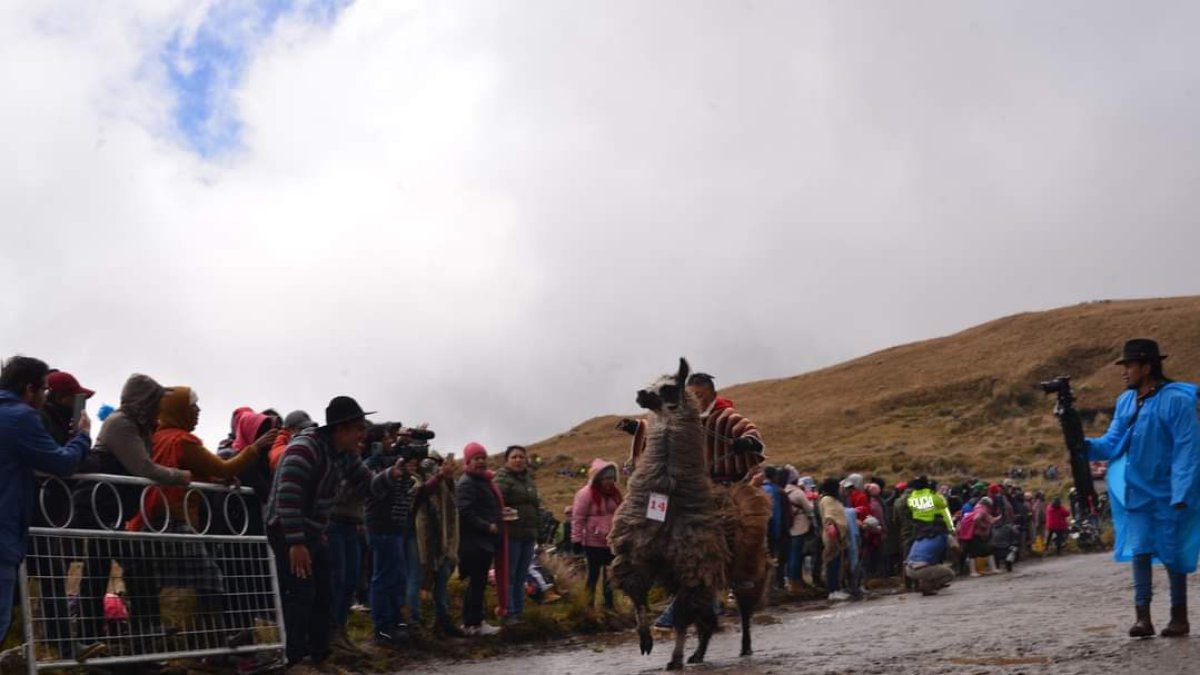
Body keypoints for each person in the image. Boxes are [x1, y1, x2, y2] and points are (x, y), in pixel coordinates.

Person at [126, 386, 277, 652]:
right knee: (211, 580)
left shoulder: (157, 438)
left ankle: (196, 645)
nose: (198, 412)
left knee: (170, 583)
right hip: (174, 521)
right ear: (180, 410)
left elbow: (201, 473)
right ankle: (214, 645)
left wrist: (217, 479)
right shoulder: (182, 441)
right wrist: (254, 449)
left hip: (154, 521)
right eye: (193, 407)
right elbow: (224, 467)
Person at [1086, 339, 1200, 638]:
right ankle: (1143, 618)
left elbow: (1187, 448)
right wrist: (1082, 445)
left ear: (1147, 367)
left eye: (1129, 366)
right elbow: (1111, 443)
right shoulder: (1126, 402)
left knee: (1173, 553)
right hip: (1137, 492)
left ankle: (1179, 617)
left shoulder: (1177, 400)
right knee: (1140, 550)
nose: (1124, 373)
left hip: (1169, 492)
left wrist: (1182, 491)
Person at [265, 396, 385, 666]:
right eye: (358, 429)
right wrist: (296, 543)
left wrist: (393, 476)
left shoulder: (344, 454)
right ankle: (297, 659)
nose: (362, 436)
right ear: (341, 429)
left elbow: (368, 485)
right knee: (300, 592)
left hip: (314, 531)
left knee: (324, 592)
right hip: (286, 529)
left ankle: (320, 656)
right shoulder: (304, 449)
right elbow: (288, 496)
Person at [77, 373, 190, 654]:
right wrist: (179, 476)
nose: (158, 408)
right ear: (144, 401)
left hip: (110, 506)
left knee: (99, 570)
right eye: (154, 401)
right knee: (132, 562)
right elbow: (144, 468)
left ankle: (96, 636)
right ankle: (140, 627)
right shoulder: (121, 424)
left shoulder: (136, 426)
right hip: (101, 505)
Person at [0, 357, 92, 649]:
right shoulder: (20, 417)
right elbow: (61, 462)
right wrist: (82, 437)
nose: (45, 394)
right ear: (30, 388)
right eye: (43, 388)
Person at [363, 428, 419, 647]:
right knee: (383, 577)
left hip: (397, 526)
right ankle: (382, 628)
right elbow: (372, 491)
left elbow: (408, 488)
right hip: (380, 526)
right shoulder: (370, 464)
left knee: (398, 577)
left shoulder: (395, 462)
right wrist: (390, 472)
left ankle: (396, 622)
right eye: (386, 438)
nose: (391, 441)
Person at [456, 442, 506, 636]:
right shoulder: (467, 483)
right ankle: (474, 622)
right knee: (477, 582)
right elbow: (465, 512)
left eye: (483, 458)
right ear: (468, 462)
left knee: (477, 582)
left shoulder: (482, 481)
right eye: (477, 459)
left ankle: (471, 622)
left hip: (483, 541)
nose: (481, 462)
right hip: (474, 542)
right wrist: (487, 526)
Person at [412, 452, 464, 637]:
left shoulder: (445, 486)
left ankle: (442, 620)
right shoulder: (421, 482)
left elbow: (451, 509)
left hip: (444, 543)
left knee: (441, 583)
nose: (435, 467)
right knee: (423, 582)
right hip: (426, 542)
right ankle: (421, 620)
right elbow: (422, 494)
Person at [495, 445, 541, 624]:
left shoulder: (528, 480)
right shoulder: (502, 479)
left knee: (522, 575)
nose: (518, 460)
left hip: (528, 535)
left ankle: (519, 611)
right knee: (509, 574)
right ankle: (509, 612)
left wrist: (539, 533)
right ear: (507, 460)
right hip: (510, 535)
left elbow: (535, 507)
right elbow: (495, 503)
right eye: (514, 457)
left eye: (521, 457)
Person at [571, 459, 622, 610]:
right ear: (598, 479)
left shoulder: (615, 494)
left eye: (612, 478)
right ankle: (588, 606)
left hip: (611, 542)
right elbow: (578, 518)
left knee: (610, 574)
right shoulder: (585, 494)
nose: (609, 481)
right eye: (606, 478)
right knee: (593, 575)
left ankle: (609, 605)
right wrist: (577, 540)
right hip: (592, 543)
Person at [39, 370, 95, 445]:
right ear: (59, 398)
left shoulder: (60, 419)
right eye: (74, 398)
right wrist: (83, 434)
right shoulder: (44, 421)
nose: (79, 403)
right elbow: (60, 455)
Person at [783, 468, 815, 592]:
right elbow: (809, 510)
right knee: (796, 557)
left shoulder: (784, 490)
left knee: (791, 556)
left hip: (788, 529)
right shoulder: (797, 492)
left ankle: (793, 581)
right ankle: (795, 583)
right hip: (799, 528)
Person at [818, 478, 850, 601]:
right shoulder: (827, 500)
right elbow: (830, 517)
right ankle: (833, 590)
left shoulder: (833, 499)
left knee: (837, 563)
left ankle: (837, 588)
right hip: (832, 535)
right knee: (832, 562)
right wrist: (835, 531)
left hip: (837, 534)